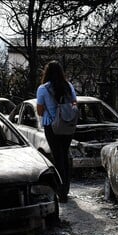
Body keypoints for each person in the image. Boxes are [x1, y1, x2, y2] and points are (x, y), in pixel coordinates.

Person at [36, 60, 77, 203]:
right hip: (67, 125)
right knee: (64, 156)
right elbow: (74, 104)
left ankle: (61, 192)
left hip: (52, 126)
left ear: (46, 72)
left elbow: (40, 111)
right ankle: (66, 189)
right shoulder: (68, 86)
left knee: (57, 157)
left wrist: (52, 110)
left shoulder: (43, 88)